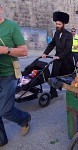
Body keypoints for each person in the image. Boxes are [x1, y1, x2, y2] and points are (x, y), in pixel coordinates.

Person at [0, 4, 31, 146]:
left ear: (1, 9)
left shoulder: (11, 26)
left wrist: (5, 50)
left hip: (8, 74)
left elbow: (24, 52)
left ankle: (24, 118)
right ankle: (1, 139)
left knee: (5, 110)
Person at [42, 11, 75, 99]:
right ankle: (53, 93)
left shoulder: (68, 35)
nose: (57, 26)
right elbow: (52, 44)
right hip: (57, 60)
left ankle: (73, 94)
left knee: (68, 79)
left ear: (63, 24)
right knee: (53, 77)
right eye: (56, 24)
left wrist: (59, 56)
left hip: (66, 61)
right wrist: (45, 53)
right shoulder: (56, 33)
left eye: (59, 24)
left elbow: (68, 49)